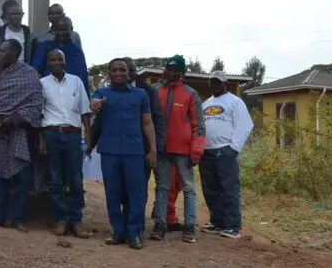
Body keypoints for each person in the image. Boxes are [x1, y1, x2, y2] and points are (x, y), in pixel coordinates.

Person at [91, 59, 157, 249]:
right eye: (114, 70)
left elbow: (147, 122)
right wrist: (95, 104)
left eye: (122, 70)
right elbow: (93, 103)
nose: (118, 73)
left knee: (136, 195)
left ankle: (134, 233)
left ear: (129, 73)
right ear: (109, 73)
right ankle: (117, 232)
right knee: (112, 194)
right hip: (110, 152)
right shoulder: (103, 93)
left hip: (134, 152)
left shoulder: (141, 95)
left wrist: (152, 149)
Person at [0, 38, 42, 231]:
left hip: (20, 131)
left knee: (21, 177)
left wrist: (14, 119)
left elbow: (36, 104)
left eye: (3, 52)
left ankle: (19, 219)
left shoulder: (29, 73)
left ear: (15, 54)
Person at [151, 55, 206, 243]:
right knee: (162, 187)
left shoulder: (190, 94)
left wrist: (196, 151)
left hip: (183, 150)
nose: (173, 73)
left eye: (177, 70)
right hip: (162, 149)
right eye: (170, 69)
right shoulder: (155, 90)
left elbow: (198, 125)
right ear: (166, 69)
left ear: (183, 73)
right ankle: (160, 225)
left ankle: (190, 227)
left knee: (189, 188)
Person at [39, 49, 91, 237]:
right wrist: (40, 139)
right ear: (48, 63)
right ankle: (61, 220)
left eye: (59, 59)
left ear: (65, 61)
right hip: (51, 134)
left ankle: (76, 221)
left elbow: (85, 112)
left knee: (76, 179)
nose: (56, 62)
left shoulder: (76, 81)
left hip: (72, 135)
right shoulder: (42, 84)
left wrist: (89, 136)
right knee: (55, 179)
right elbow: (39, 113)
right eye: (52, 59)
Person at [200, 71, 253, 239]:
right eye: (212, 82)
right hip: (206, 152)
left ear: (225, 83)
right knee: (210, 189)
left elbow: (245, 125)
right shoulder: (206, 104)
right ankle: (217, 222)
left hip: (225, 151)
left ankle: (233, 226)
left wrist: (234, 148)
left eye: (218, 82)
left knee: (229, 189)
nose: (215, 85)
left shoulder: (235, 102)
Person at [34, 16, 90, 97]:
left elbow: (83, 77)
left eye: (64, 29)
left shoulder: (77, 52)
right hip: (50, 94)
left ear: (71, 29)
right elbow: (35, 70)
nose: (61, 33)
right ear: (54, 30)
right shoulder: (45, 47)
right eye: (58, 30)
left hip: (73, 97)